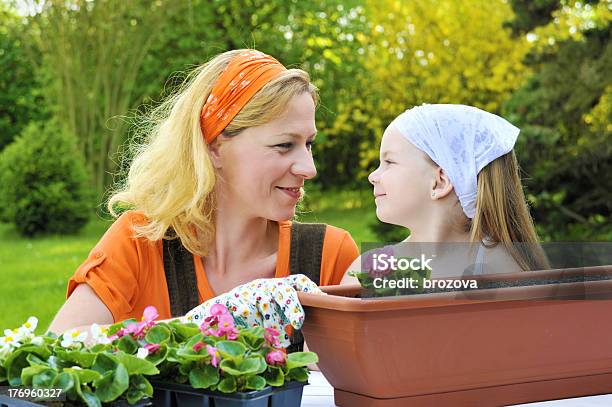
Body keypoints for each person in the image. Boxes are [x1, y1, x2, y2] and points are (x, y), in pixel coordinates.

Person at [48, 49, 359, 336]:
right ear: (215, 149)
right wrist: (210, 321)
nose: (309, 167)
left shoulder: (329, 256)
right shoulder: (141, 243)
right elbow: (58, 347)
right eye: (284, 145)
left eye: (309, 144)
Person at [350, 104, 549, 279]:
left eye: (389, 162)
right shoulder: (367, 270)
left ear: (440, 182)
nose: (373, 176)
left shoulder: (502, 271)